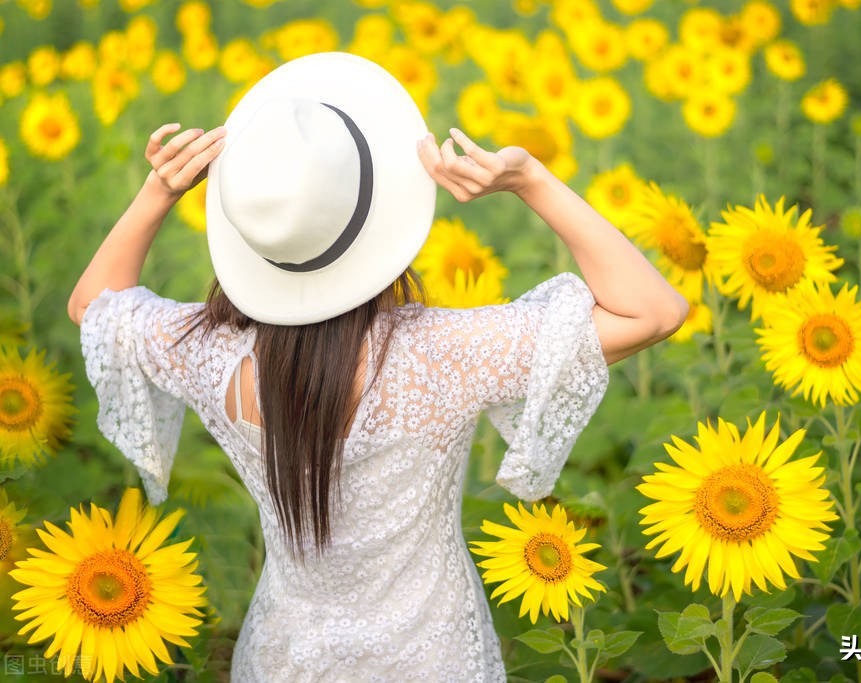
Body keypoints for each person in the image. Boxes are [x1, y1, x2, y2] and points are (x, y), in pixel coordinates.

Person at [67, 52, 687, 682]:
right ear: (380, 213)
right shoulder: (442, 355)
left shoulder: (211, 354)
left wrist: (157, 191)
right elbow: (653, 311)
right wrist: (531, 179)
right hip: (430, 658)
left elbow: (93, 306)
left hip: (284, 660)